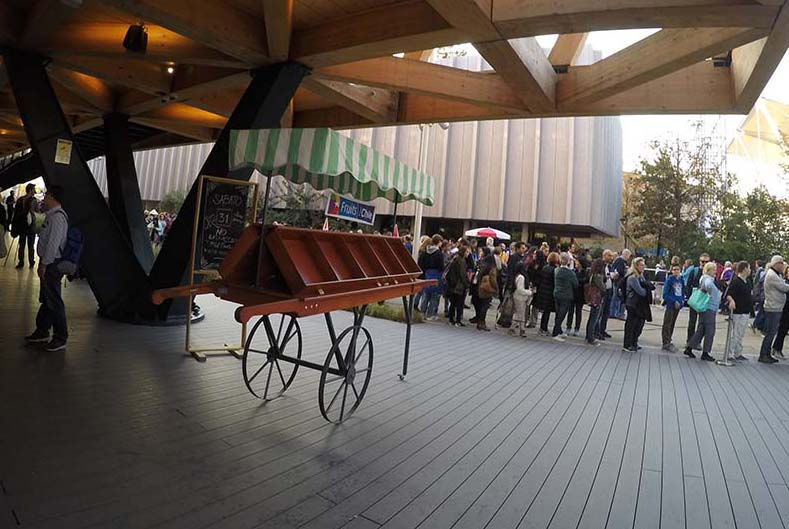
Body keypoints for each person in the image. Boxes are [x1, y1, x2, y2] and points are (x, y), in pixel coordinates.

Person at [24, 186, 70, 352]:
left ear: (54, 197)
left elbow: (53, 245)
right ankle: (42, 330)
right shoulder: (52, 215)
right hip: (49, 263)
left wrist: (44, 264)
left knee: (54, 300)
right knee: (48, 298)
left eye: (47, 195)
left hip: (52, 264)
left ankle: (60, 337)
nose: (44, 198)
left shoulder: (57, 218)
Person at [683, 261, 720, 361]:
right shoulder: (708, 279)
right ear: (708, 270)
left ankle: (690, 347)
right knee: (710, 331)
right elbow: (708, 286)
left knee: (701, 329)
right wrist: (710, 292)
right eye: (713, 270)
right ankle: (706, 352)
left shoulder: (704, 278)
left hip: (706, 307)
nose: (715, 272)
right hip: (709, 307)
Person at [758, 255, 789, 363]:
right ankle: (763, 355)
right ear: (776, 264)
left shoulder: (776, 274)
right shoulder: (772, 275)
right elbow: (784, 287)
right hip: (773, 307)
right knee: (770, 332)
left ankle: (767, 354)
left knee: (771, 332)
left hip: (776, 307)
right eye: (781, 263)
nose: (783, 266)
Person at [623, 257, 654, 352]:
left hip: (639, 304)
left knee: (639, 324)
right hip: (632, 303)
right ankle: (627, 344)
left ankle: (634, 342)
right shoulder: (633, 277)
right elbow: (641, 292)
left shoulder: (641, 276)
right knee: (631, 324)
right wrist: (647, 288)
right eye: (641, 265)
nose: (643, 267)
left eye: (644, 265)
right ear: (636, 266)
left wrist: (646, 286)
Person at [725, 261, 752, 362]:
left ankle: (738, 352)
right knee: (735, 333)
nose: (750, 270)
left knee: (741, 333)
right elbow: (728, 294)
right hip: (738, 311)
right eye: (749, 268)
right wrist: (731, 301)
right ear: (744, 269)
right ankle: (730, 353)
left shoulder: (747, 281)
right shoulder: (736, 281)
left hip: (745, 311)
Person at [684, 253, 710, 344]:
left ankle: (697, 341)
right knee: (692, 321)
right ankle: (689, 340)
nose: (704, 263)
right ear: (699, 262)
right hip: (695, 298)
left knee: (702, 322)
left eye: (706, 262)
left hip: (704, 300)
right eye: (703, 261)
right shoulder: (694, 271)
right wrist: (688, 297)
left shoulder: (710, 274)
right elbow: (688, 285)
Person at [552, 252, 578, 341]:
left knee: (558, 313)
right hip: (566, 295)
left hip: (557, 293)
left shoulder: (556, 270)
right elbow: (575, 284)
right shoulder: (570, 273)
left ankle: (559, 331)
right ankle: (555, 333)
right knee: (561, 314)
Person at [417, 234, 444, 321]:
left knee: (426, 294)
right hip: (436, 274)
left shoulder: (425, 251)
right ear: (439, 242)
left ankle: (422, 312)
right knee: (434, 296)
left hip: (427, 274)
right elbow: (441, 266)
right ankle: (430, 314)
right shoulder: (438, 253)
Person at [661, 263, 685, 352]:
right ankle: (665, 341)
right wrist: (673, 301)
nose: (676, 271)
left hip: (678, 304)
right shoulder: (669, 280)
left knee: (672, 323)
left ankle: (669, 339)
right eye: (674, 270)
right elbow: (665, 294)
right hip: (671, 304)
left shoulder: (681, 280)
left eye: (677, 269)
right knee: (667, 323)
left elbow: (682, 292)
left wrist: (682, 301)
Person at [12, 183, 37, 269]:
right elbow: (37, 211)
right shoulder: (34, 200)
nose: (35, 191)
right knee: (31, 245)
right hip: (31, 226)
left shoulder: (20, 199)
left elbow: (16, 212)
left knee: (21, 245)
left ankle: (21, 262)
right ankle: (31, 262)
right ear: (30, 190)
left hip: (22, 226)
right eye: (33, 189)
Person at [473, 248, 498, 331]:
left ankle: (479, 321)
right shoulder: (492, 268)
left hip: (480, 287)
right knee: (485, 305)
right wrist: (496, 288)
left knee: (481, 304)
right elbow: (493, 280)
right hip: (488, 288)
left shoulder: (482, 264)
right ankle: (482, 322)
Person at [445, 244, 470, 327]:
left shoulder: (455, 259)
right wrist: (466, 284)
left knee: (453, 303)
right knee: (459, 303)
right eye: (467, 252)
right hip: (459, 285)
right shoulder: (461, 261)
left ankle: (451, 319)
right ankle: (458, 320)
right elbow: (462, 275)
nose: (468, 253)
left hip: (453, 284)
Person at [768, 261, 789, 360]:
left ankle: (776, 348)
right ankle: (776, 348)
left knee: (782, 329)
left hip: (783, 307)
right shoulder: (783, 281)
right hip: (785, 308)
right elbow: (784, 289)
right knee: (782, 329)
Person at [535, 252, 559, 336]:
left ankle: (542, 328)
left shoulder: (545, 268)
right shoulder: (555, 270)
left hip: (542, 291)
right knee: (547, 312)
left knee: (545, 311)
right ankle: (544, 328)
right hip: (549, 292)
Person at [585, 258, 606, 346]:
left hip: (592, 298)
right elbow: (603, 288)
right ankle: (590, 337)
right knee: (594, 318)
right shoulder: (598, 276)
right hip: (597, 299)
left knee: (591, 318)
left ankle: (588, 336)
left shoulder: (592, 274)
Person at [595, 249, 616, 341]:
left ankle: (602, 329)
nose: (611, 258)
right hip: (602, 290)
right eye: (609, 256)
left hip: (609, 289)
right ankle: (596, 331)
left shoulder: (610, 266)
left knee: (606, 312)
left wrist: (613, 276)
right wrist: (608, 276)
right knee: (599, 312)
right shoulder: (601, 265)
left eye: (611, 256)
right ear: (604, 256)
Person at [510, 259, 532, 337]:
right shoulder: (521, 277)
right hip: (520, 297)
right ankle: (516, 329)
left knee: (519, 313)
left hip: (517, 296)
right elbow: (520, 289)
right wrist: (529, 292)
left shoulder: (517, 276)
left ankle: (520, 329)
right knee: (520, 313)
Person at [565, 255, 586, 336]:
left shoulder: (585, 272)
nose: (576, 263)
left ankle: (577, 328)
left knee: (578, 311)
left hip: (580, 294)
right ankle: (568, 326)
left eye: (577, 262)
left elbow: (585, 281)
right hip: (573, 293)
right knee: (570, 311)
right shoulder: (573, 271)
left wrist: (577, 282)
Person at [610, 249, 631, 320]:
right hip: (618, 282)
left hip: (619, 281)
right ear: (626, 254)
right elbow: (620, 271)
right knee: (616, 297)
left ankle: (615, 313)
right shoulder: (620, 261)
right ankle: (613, 313)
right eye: (628, 256)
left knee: (617, 297)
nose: (628, 258)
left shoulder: (621, 261)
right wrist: (627, 272)